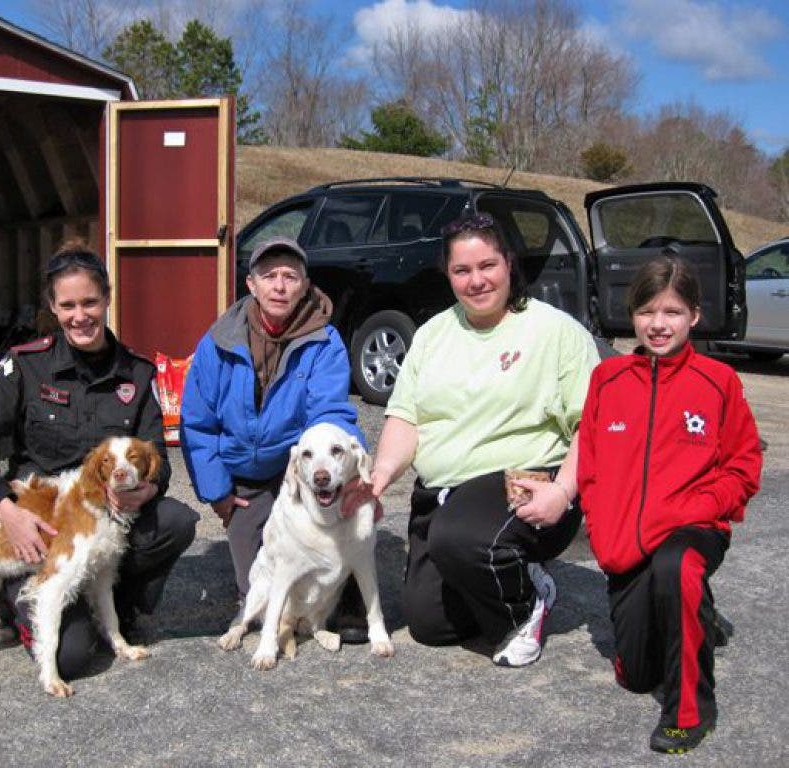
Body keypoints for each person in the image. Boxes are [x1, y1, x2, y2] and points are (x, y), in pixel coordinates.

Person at [0, 241, 199, 679]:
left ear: (107, 298)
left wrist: (147, 489)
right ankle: (18, 596)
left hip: (108, 517)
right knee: (73, 658)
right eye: (68, 305)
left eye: (89, 302)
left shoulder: (137, 373)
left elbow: (157, 455)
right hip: (44, 526)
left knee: (177, 520)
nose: (79, 315)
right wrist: (5, 510)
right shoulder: (26, 367)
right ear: (52, 306)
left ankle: (122, 603)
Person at [365, 212, 600, 667]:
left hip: (523, 482)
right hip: (441, 496)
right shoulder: (433, 334)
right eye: (462, 270)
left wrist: (564, 491)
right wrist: (380, 475)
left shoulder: (555, 332)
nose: (477, 280)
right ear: (447, 275)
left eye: (487, 265)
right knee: (429, 624)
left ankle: (522, 608)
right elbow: (405, 417)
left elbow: (589, 426)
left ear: (509, 263)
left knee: (461, 538)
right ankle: (510, 571)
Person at [577, 257, 761, 754]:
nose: (659, 324)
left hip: (693, 527)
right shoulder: (607, 379)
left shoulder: (719, 382)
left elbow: (744, 468)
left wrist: (700, 507)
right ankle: (700, 618)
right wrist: (598, 521)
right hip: (624, 539)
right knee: (635, 674)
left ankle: (690, 710)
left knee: (677, 566)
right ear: (632, 314)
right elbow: (589, 464)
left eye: (673, 312)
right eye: (648, 311)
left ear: (695, 317)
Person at [180, 236, 368, 640]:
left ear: (305, 285)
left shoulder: (326, 342)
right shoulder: (217, 342)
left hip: (296, 464)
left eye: (290, 276)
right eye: (269, 276)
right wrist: (219, 493)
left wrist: (351, 465)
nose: (279, 286)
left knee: (343, 494)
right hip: (245, 474)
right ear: (251, 285)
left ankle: (348, 590)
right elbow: (197, 422)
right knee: (261, 603)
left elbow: (330, 413)